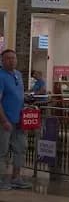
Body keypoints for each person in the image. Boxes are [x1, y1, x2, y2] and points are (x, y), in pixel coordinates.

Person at [0, 50, 28, 189]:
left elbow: (20, 96)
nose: (11, 60)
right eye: (8, 58)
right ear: (2, 61)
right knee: (2, 150)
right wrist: (4, 120)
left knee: (21, 148)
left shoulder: (18, 75)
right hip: (5, 120)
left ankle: (16, 177)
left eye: (13, 58)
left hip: (19, 120)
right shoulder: (1, 76)